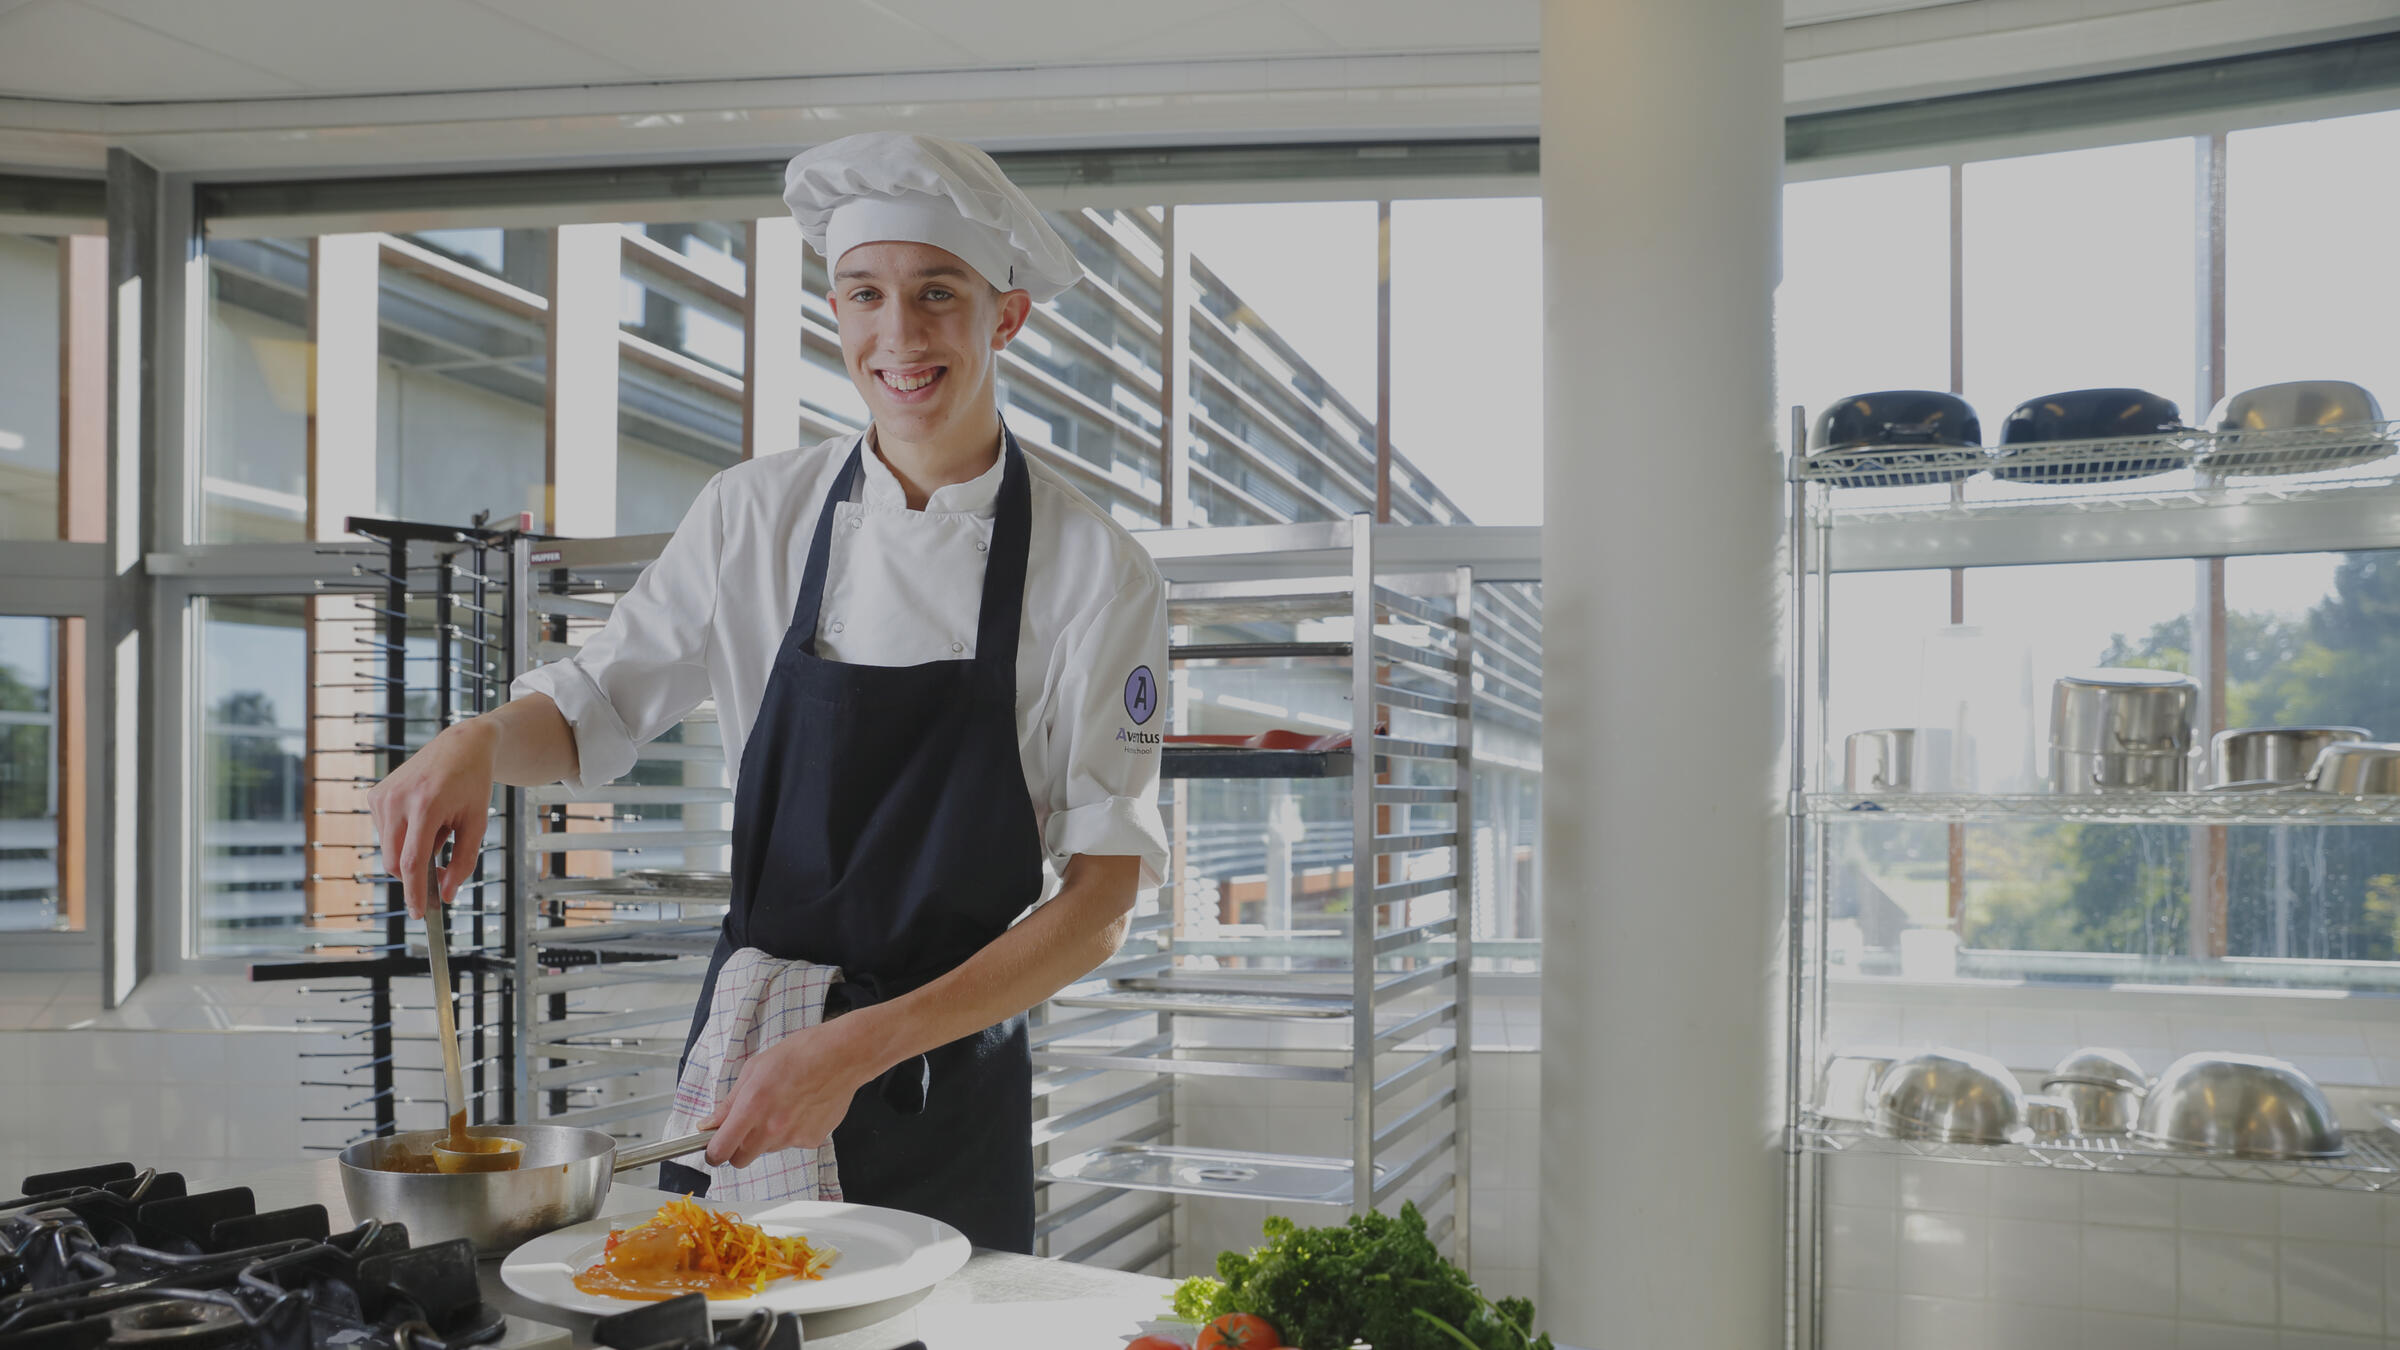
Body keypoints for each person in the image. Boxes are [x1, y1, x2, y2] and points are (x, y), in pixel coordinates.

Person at [366, 130, 1169, 1252]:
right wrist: (477, 741)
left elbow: (1100, 903)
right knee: (724, 1311)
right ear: (835, 311)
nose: (900, 334)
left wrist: (857, 1047)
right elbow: (596, 703)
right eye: (865, 294)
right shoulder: (755, 514)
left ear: (1007, 317)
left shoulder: (1093, 570)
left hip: (941, 1072)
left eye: (938, 293)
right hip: (755, 1054)